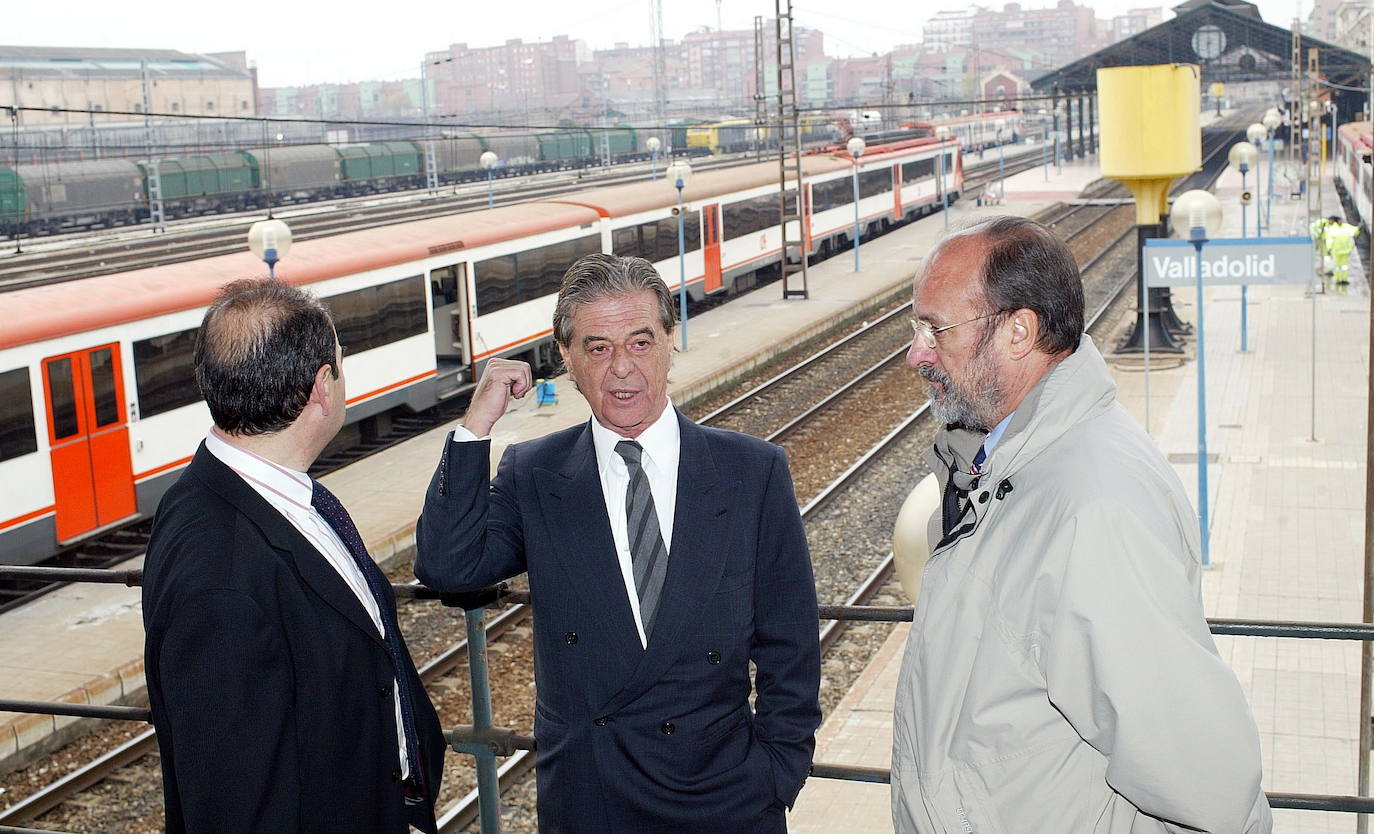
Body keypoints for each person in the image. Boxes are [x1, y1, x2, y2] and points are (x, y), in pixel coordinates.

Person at [415, 253, 821, 833]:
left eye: (640, 342)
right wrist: (476, 427)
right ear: (568, 357)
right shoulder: (535, 472)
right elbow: (449, 566)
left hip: (725, 798)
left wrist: (774, 775)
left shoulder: (752, 472)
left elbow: (791, 646)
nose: (622, 369)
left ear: (669, 342)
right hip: (592, 797)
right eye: (598, 347)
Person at [892, 216, 1272, 833]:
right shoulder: (1010, 465)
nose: (917, 353)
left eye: (936, 329)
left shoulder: (1094, 508)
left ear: (1019, 331)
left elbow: (1210, 782)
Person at [142, 279, 445, 834]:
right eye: (341, 362)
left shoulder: (267, 497)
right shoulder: (221, 572)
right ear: (322, 386)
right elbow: (237, 802)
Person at [1324, 214, 1360, 285]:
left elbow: (1355, 231)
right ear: (1336, 221)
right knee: (1337, 266)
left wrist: (1358, 228)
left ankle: (1344, 279)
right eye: (1340, 221)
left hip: (1345, 251)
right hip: (1337, 251)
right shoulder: (1333, 229)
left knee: (1344, 266)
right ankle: (1338, 280)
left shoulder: (1345, 227)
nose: (1341, 222)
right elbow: (1329, 240)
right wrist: (1329, 249)